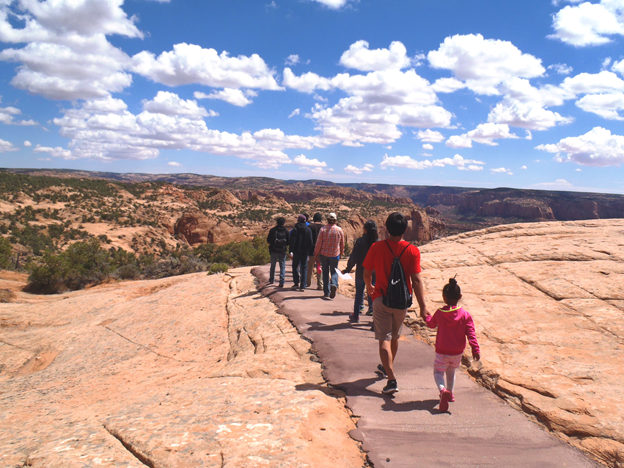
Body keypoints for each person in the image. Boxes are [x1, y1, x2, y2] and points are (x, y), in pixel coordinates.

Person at [363, 212, 428, 395]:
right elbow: (416, 280)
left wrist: (369, 287)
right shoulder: (412, 250)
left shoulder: (377, 247)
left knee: (383, 338)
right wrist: (423, 306)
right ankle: (387, 367)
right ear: (405, 230)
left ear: (386, 228)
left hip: (381, 298)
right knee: (394, 337)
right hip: (401, 301)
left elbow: (367, 272)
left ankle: (391, 379)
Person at [422, 277, 480, 412]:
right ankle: (451, 393)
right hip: (457, 352)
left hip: (442, 350)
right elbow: (471, 333)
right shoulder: (465, 315)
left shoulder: (440, 313)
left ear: (444, 297)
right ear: (460, 296)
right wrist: (475, 349)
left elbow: (431, 324)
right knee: (451, 371)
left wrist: (426, 317)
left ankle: (443, 390)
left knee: (438, 372)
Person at [342, 220, 378, 323]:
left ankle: (356, 315)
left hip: (361, 272)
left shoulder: (360, 241)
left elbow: (354, 257)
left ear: (365, 230)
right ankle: (374, 315)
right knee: (374, 293)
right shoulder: (378, 242)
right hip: (374, 273)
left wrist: (347, 269)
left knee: (359, 294)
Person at [314, 212, 345, 299]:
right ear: (335, 220)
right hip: (335, 254)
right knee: (334, 271)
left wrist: (316, 253)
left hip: (324, 254)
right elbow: (342, 243)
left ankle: (326, 292)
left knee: (325, 272)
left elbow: (318, 243)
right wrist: (342, 252)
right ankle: (334, 284)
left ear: (327, 220)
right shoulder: (339, 230)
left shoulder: (323, 229)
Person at [289, 214, 313, 292]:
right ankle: (303, 286)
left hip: (296, 251)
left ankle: (296, 283)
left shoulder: (295, 229)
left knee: (295, 266)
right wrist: (309, 250)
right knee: (304, 267)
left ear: (298, 220)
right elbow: (310, 241)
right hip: (305, 252)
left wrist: (291, 251)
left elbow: (292, 242)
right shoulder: (308, 229)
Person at [267, 217, 289, 287]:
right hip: (282, 250)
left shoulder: (273, 230)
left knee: (273, 265)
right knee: (282, 266)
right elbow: (288, 241)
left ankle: (271, 279)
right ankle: (281, 281)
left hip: (274, 250)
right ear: (283, 223)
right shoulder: (286, 231)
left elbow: (268, 240)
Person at [307, 213, 323, 290]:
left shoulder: (310, 227)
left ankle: (308, 282)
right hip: (321, 250)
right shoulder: (324, 227)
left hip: (311, 250)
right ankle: (320, 284)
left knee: (310, 267)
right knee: (320, 267)